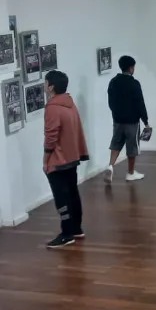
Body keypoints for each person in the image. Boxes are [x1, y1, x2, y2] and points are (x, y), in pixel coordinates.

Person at [44, 69, 90, 249]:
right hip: (72, 156)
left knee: (61, 197)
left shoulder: (53, 107)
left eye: (46, 83)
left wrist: (45, 159)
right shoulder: (70, 104)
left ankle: (66, 233)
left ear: (51, 86)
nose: (44, 86)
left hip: (58, 159)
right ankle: (76, 228)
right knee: (72, 192)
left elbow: (51, 137)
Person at [105, 55, 149, 183]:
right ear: (131, 68)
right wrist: (146, 121)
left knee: (116, 143)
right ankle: (130, 173)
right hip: (132, 122)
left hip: (117, 120)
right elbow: (140, 103)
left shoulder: (113, 82)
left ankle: (110, 166)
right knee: (132, 147)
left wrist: (116, 113)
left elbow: (110, 102)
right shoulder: (134, 84)